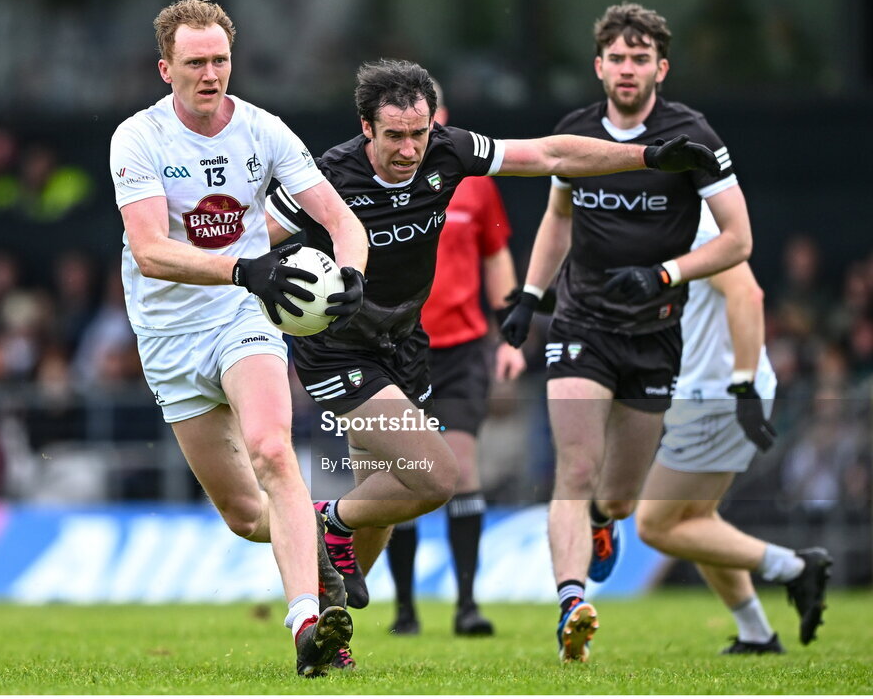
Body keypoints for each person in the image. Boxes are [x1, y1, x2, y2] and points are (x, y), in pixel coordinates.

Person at [265, 57, 718, 661]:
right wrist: (212, 272)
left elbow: (549, 156)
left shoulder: (448, 152)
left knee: (381, 501)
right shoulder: (326, 176)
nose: (408, 149)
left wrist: (647, 158)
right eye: (394, 135)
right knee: (436, 476)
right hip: (337, 350)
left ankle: (328, 634)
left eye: (419, 134)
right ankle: (328, 523)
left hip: (403, 342)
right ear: (366, 128)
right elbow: (250, 241)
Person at [109, 0, 369, 678]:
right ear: (166, 69)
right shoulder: (137, 139)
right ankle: (321, 545)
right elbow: (149, 251)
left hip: (242, 315)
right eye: (195, 62)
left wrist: (351, 275)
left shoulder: (264, 130)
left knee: (272, 448)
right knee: (246, 514)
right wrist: (245, 264)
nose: (210, 73)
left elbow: (343, 223)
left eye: (220, 59)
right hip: (168, 333)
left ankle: (308, 626)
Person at [501, 2, 755, 663]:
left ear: (660, 68)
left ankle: (603, 526)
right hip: (583, 323)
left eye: (641, 58)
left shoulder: (693, 136)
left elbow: (738, 239)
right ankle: (570, 603)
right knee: (575, 468)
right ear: (598, 66)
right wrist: (531, 296)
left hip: (654, 332)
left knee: (613, 493)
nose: (627, 68)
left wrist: (666, 275)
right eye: (617, 57)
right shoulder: (577, 132)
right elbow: (558, 217)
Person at [635, 202, 832, 655]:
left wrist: (743, 386)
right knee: (697, 520)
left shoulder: (698, 229)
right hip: (708, 392)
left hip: (716, 396)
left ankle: (796, 568)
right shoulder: (674, 222)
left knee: (654, 525)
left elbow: (748, 296)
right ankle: (758, 634)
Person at [385, 79, 527, 638]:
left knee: (462, 469)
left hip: (463, 349)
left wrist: (510, 332)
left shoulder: (473, 184)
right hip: (395, 348)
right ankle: (404, 610)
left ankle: (467, 605)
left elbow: (497, 256)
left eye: (431, 119)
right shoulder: (369, 181)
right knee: (403, 477)